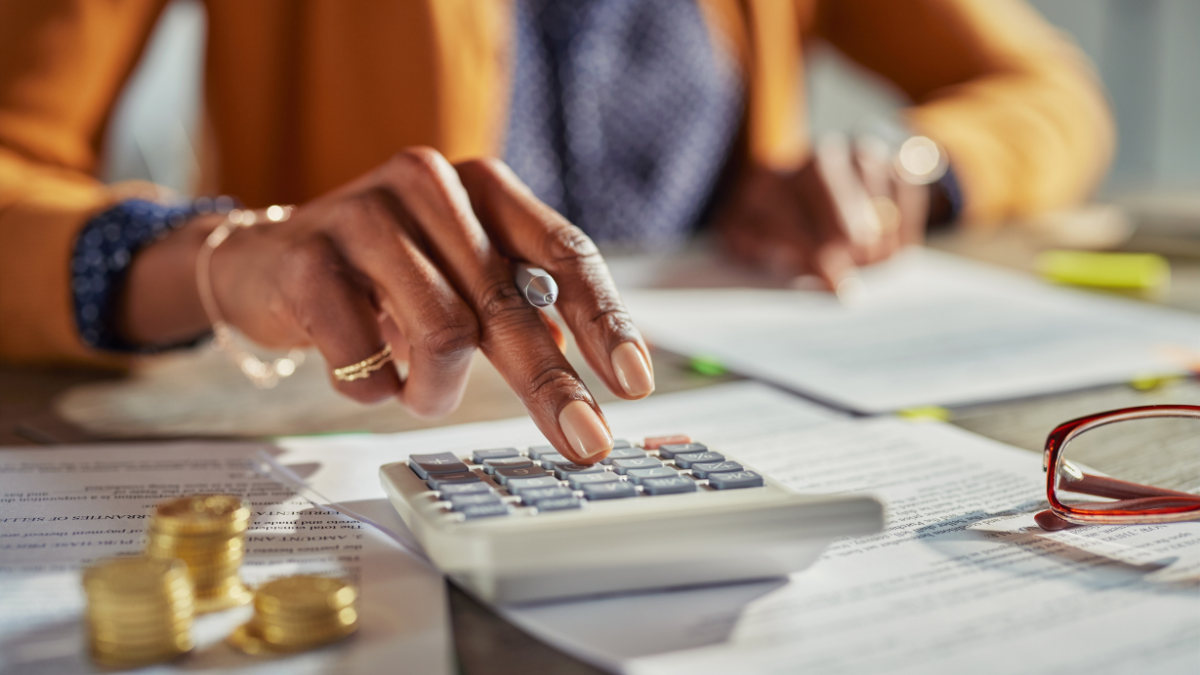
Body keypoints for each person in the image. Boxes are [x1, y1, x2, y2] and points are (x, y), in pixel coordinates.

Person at [0, 0, 1113, 462]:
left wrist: (912, 168)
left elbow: (1049, 92)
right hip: (361, 440)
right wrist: (219, 257)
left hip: (745, 431)